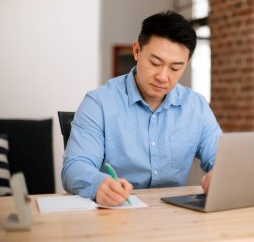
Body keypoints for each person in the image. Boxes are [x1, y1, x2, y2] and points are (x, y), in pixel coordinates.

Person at [61, 11, 222, 206]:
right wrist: (99, 185)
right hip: (116, 213)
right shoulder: (99, 103)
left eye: (175, 68)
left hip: (174, 216)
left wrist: (220, 174)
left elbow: (220, 159)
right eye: (155, 63)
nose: (163, 76)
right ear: (137, 51)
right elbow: (74, 166)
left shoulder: (197, 107)